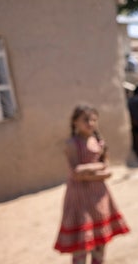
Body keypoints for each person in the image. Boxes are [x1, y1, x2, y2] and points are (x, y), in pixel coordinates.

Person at [54, 104, 130, 263]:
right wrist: (96, 170)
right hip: (79, 198)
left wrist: (88, 170)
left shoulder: (99, 142)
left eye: (94, 119)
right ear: (75, 122)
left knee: (100, 241)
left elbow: (107, 171)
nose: (90, 123)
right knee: (82, 243)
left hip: (99, 197)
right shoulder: (72, 144)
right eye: (86, 119)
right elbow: (76, 173)